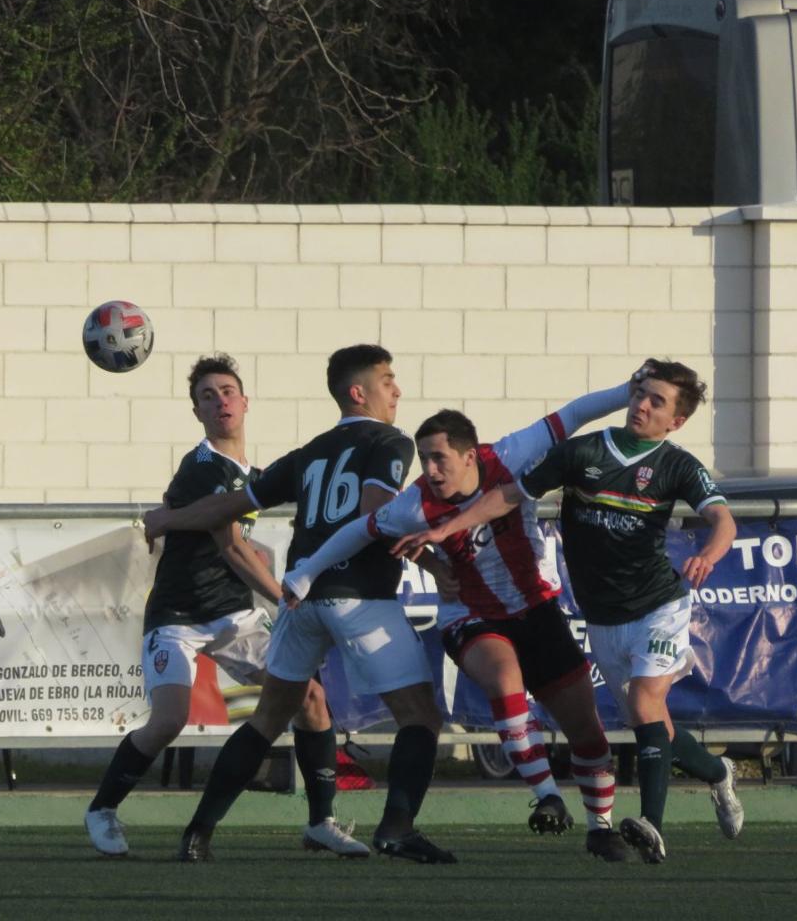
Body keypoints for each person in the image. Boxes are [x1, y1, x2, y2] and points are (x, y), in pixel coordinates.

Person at [282, 371, 652, 863]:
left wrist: (628, 391)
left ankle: (600, 827)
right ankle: (546, 795)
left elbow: (574, 414)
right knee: (504, 676)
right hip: (469, 615)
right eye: (425, 458)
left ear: (470, 454)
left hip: (536, 610)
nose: (431, 469)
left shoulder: (512, 454)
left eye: (440, 458)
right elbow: (360, 530)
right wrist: (306, 571)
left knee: (586, 730)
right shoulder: (417, 502)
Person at [395, 359, 743, 864]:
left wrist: (708, 553)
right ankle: (716, 772)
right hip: (604, 615)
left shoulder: (678, 466)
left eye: (657, 401)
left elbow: (723, 520)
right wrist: (444, 532)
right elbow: (506, 496)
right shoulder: (583, 452)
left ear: (677, 421)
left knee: (645, 705)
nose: (642, 405)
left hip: (658, 606)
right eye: (640, 393)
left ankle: (649, 824)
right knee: (654, 725)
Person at [144, 344, 455, 864]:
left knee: (269, 718)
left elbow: (231, 505)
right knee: (420, 716)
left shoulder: (311, 450)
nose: (396, 390)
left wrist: (165, 518)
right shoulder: (391, 441)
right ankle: (397, 829)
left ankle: (199, 830)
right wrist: (437, 563)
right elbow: (379, 512)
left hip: (302, 601)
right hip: (359, 599)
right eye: (388, 380)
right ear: (360, 392)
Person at [84, 354, 364, 858]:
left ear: (245, 401)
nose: (220, 402)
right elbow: (233, 547)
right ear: (196, 412)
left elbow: (246, 546)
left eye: (227, 391)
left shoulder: (251, 474)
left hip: (234, 616)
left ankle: (321, 821)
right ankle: (101, 809)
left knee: (311, 700)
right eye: (207, 396)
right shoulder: (203, 468)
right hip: (178, 618)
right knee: (169, 719)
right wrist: (288, 598)